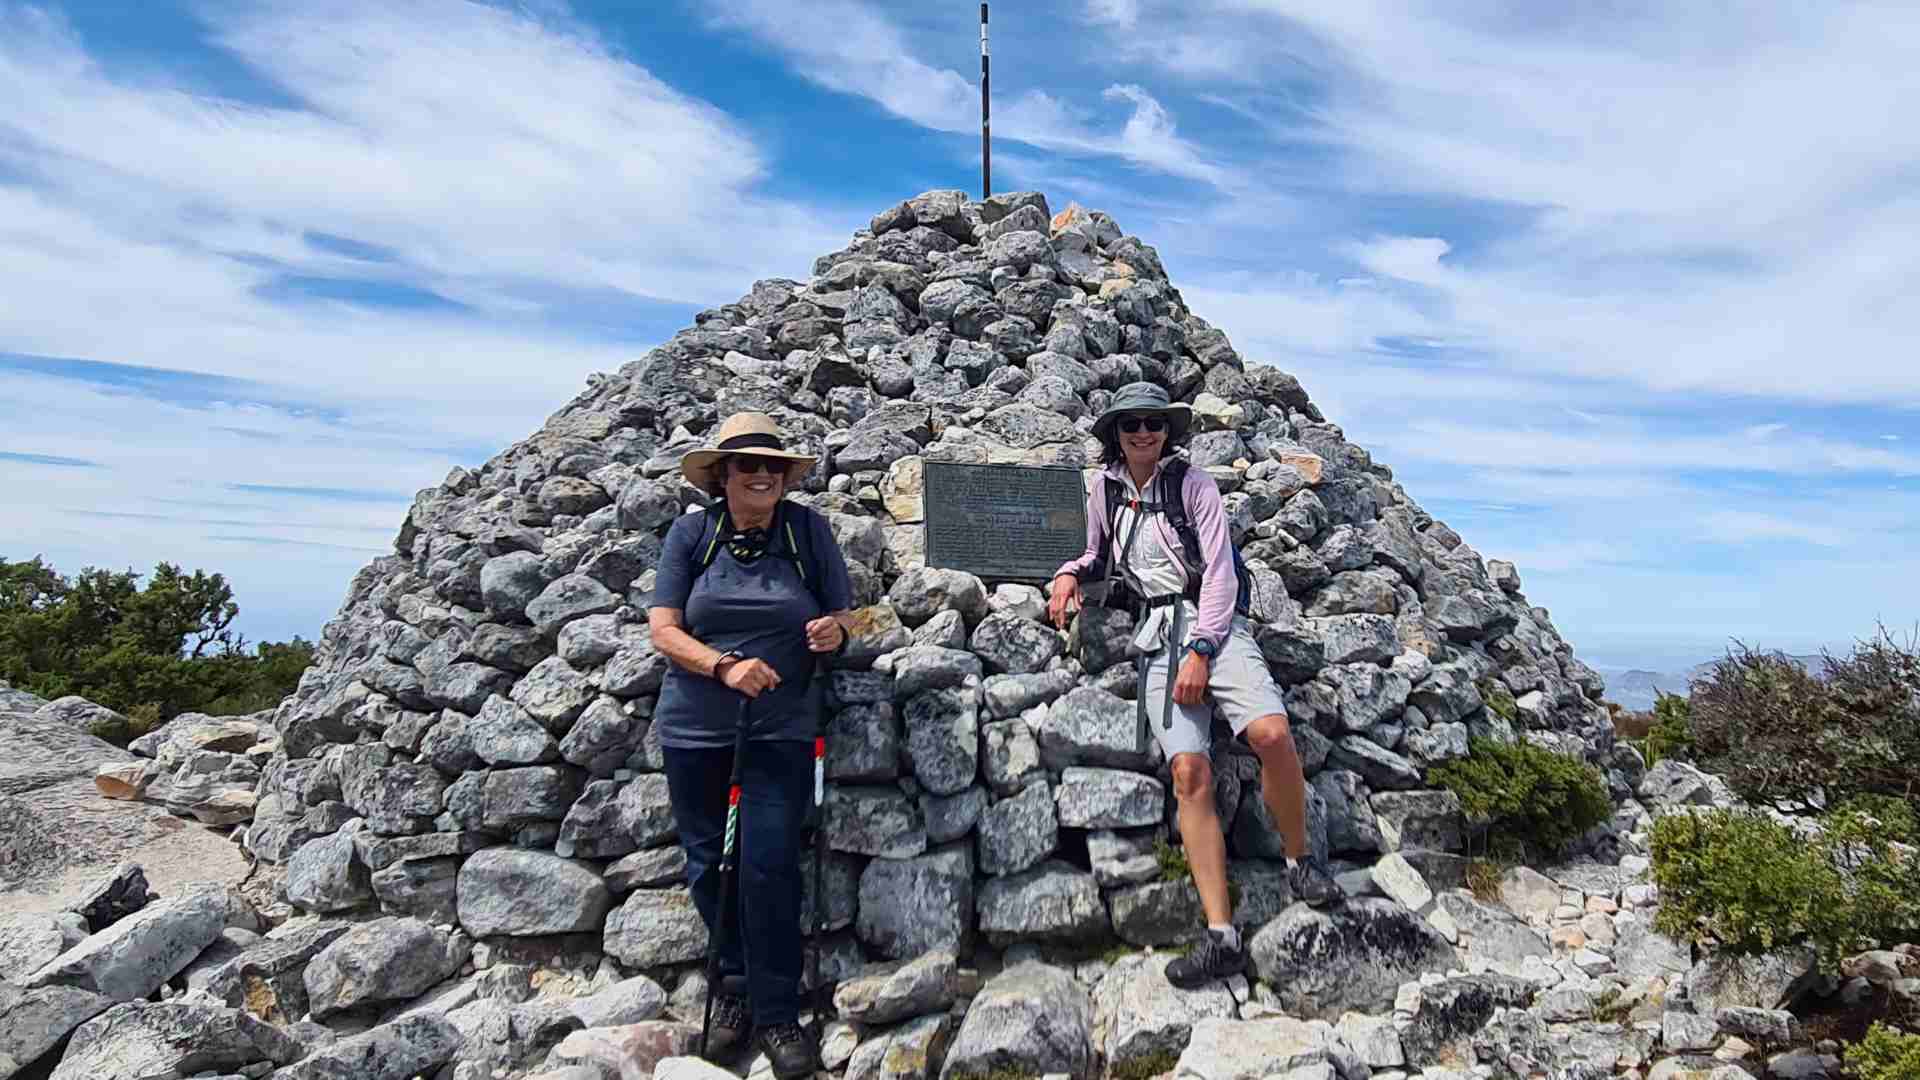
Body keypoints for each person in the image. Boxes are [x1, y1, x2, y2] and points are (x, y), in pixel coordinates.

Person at [1047, 381, 1341, 988]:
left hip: (1212, 624)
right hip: (1158, 630)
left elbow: (1221, 571)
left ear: (1168, 429)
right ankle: (1221, 937)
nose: (1143, 433)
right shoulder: (1102, 489)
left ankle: (1299, 861)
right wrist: (1068, 573)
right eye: (1131, 424)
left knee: (1270, 732)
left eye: (1154, 422)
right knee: (1189, 773)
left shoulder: (1194, 486)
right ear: (1115, 433)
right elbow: (1098, 553)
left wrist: (1203, 649)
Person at [647, 411, 855, 1076]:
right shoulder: (691, 534)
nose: (761, 474)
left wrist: (835, 634)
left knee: (767, 865)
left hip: (781, 724)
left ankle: (775, 1012)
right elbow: (664, 629)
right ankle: (732, 988)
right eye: (746, 465)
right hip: (694, 725)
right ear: (723, 476)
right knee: (710, 865)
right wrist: (723, 667)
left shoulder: (806, 532)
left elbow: (846, 614)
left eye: (772, 466)